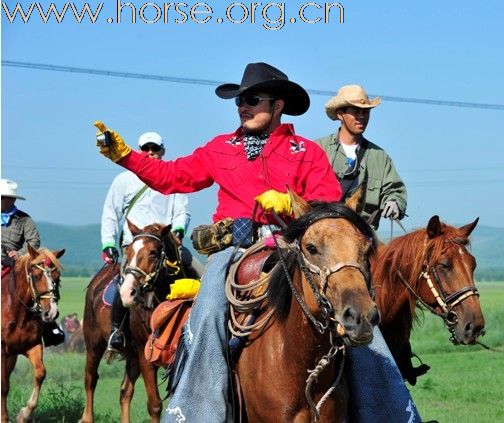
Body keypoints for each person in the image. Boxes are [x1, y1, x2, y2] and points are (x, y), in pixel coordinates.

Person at [94, 62, 422, 422]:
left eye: (252, 99)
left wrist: (293, 205)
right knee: (207, 313)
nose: (243, 106)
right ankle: (194, 413)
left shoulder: (305, 152)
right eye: (240, 101)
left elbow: (331, 209)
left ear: (277, 105)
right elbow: (172, 176)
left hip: (293, 248)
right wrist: (125, 156)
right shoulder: (220, 148)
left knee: (359, 314)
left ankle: (393, 414)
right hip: (233, 251)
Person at [100, 131, 202, 354]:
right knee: (124, 282)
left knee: (201, 273)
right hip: (135, 246)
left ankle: (205, 326)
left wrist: (178, 229)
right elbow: (111, 212)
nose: (150, 153)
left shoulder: (172, 174)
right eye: (145, 149)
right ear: (139, 150)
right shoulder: (123, 180)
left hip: (166, 243)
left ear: (162, 151)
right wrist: (108, 241)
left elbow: (182, 209)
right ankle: (117, 332)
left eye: (154, 149)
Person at [317, 84, 407, 230]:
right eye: (356, 111)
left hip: (364, 237)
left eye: (366, 112)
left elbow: (394, 190)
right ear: (340, 114)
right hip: (324, 236)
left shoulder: (380, 157)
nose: (362, 116)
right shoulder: (318, 149)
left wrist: (394, 202)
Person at [1, 178, 65, 346]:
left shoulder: (24, 219)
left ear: (12, 199)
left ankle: (49, 327)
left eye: (2, 197)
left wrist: (19, 254)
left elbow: (33, 242)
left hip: (17, 263)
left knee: (38, 285)